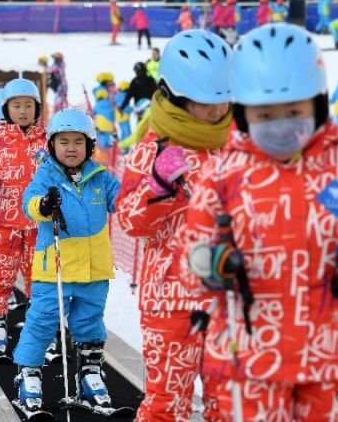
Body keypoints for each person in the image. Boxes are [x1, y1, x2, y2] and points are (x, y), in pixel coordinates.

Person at [182, 23, 338, 421]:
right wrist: (209, 264)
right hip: (250, 357)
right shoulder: (223, 175)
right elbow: (191, 257)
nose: (280, 125)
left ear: (317, 105)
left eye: (294, 112)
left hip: (332, 357)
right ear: (244, 113)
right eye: (265, 114)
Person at [115, 29, 234, 421]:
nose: (217, 111)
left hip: (230, 299)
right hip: (171, 300)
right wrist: (158, 189)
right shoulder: (151, 150)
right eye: (206, 103)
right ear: (177, 96)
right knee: (167, 403)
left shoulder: (239, 147)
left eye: (223, 101)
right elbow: (129, 220)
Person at [12, 108, 120, 415]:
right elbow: (29, 203)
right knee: (43, 320)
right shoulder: (46, 174)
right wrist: (44, 204)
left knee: (90, 320)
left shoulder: (101, 177)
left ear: (89, 145)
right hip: (55, 268)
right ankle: (29, 374)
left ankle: (90, 371)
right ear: (52, 145)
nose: (71, 148)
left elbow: (123, 200)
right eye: (63, 142)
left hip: (94, 268)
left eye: (78, 141)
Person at [0, 79, 47, 362]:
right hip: (4, 220)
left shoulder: (45, 140)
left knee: (38, 276)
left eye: (28, 105)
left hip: (37, 222)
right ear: (7, 109)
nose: (23, 111)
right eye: (17, 106)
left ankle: (39, 328)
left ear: (37, 108)